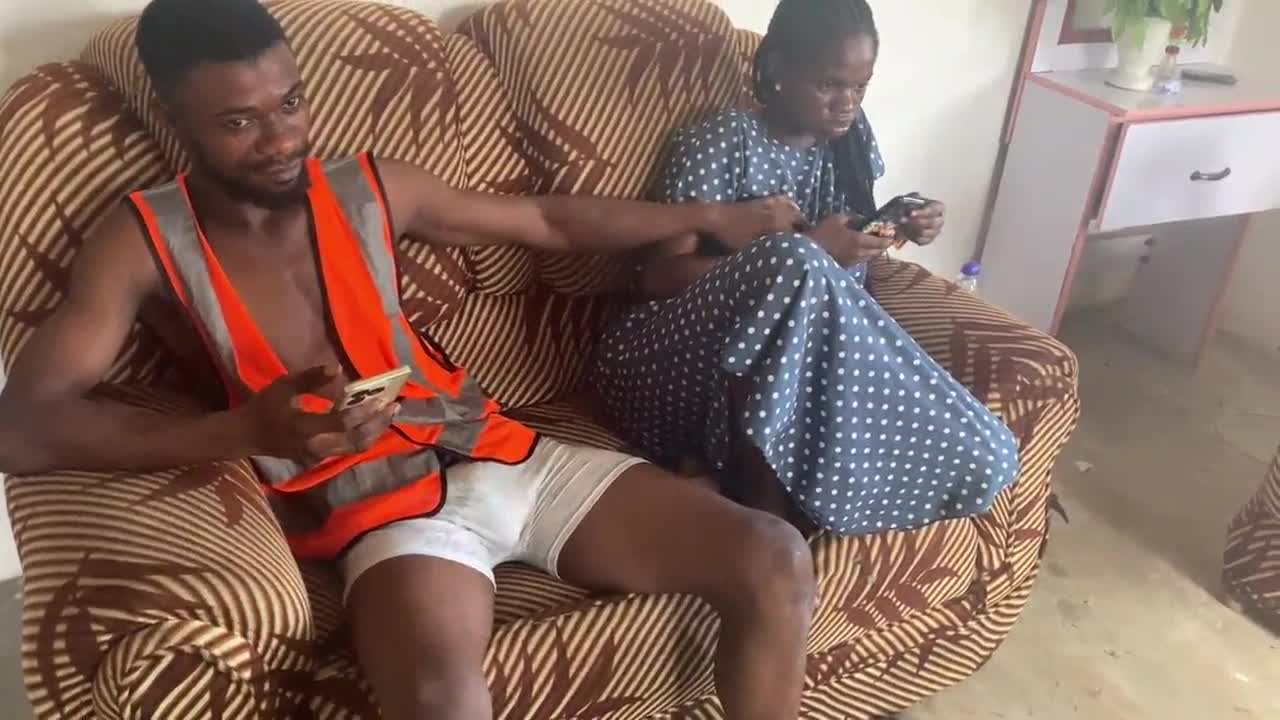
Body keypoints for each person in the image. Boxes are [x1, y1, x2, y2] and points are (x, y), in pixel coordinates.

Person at [0, 1, 820, 718]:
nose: (282, 140)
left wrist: (710, 218)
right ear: (175, 116)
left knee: (772, 555)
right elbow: (24, 431)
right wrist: (242, 431)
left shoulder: (370, 186)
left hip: (501, 447)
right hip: (384, 514)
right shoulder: (140, 240)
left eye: (291, 103)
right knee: (440, 702)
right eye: (239, 122)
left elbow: (547, 221)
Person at [587, 0, 1021, 537]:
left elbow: (842, 261)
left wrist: (897, 225)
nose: (847, 104)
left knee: (982, 450)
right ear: (778, 70)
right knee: (793, 260)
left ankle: (959, 458)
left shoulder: (849, 141)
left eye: (860, 86)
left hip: (785, 370)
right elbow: (657, 280)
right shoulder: (722, 142)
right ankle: (763, 511)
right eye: (829, 85)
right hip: (665, 367)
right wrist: (808, 249)